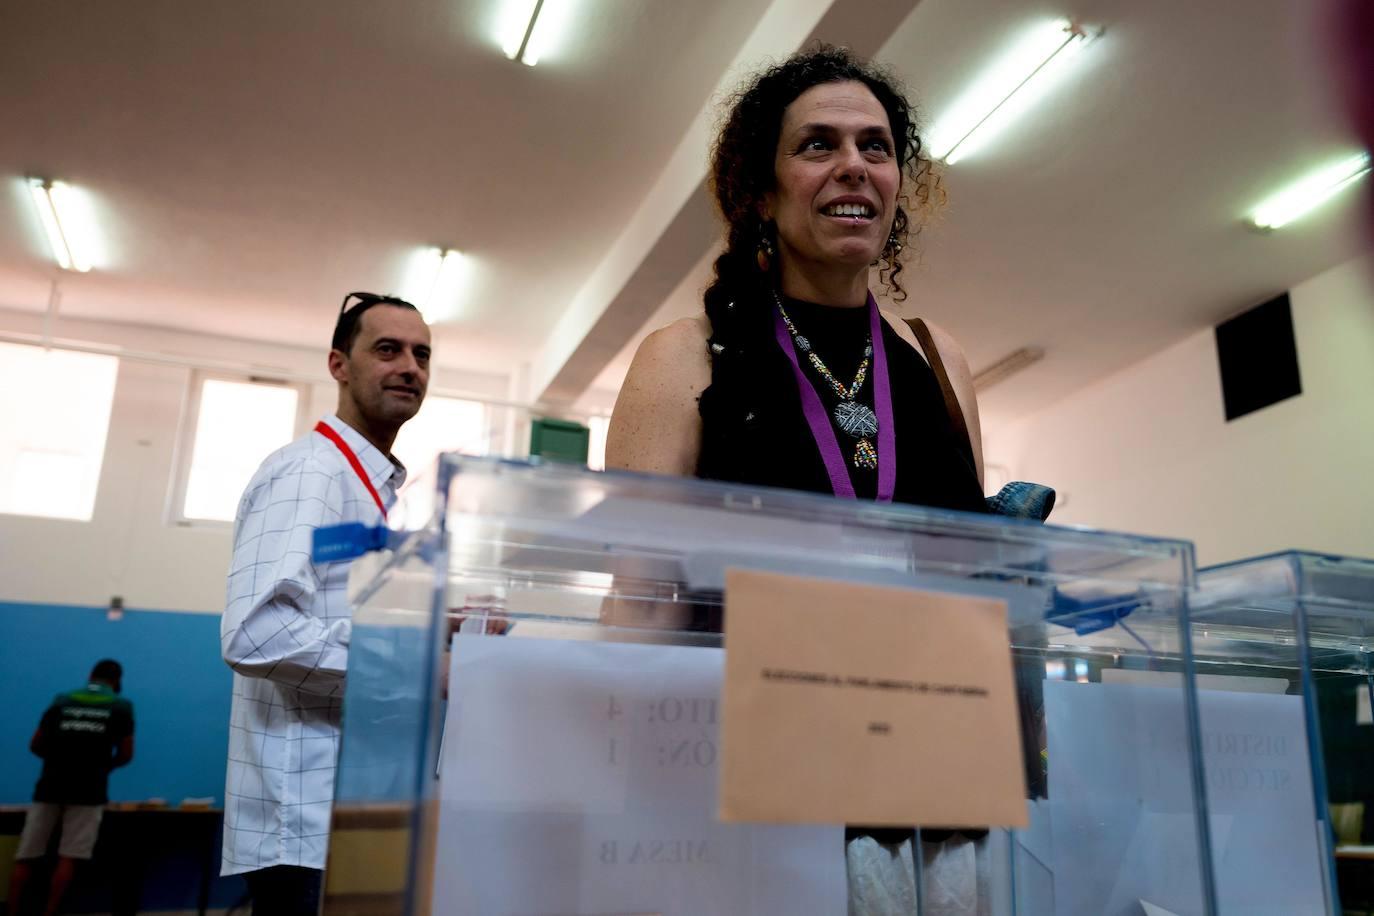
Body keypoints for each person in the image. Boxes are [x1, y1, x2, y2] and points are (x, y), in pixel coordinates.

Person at [606, 46, 993, 914]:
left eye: (877, 146)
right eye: (817, 144)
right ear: (759, 189)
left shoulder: (940, 360)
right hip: (752, 785)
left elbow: (972, 587)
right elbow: (640, 603)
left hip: (932, 785)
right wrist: (622, 807)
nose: (854, 163)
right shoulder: (684, 358)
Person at [220, 292, 430, 915]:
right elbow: (255, 634)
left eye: (422, 354)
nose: (410, 367)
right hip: (303, 826)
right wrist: (410, 661)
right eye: (387, 349)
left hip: (350, 816)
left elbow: (344, 618)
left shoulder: (380, 490)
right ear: (339, 364)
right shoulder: (309, 472)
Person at [8, 660, 134, 916]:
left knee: (27, 854)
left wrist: (58, 762)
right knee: (69, 855)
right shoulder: (121, 706)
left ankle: (12, 911)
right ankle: (50, 912)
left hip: (49, 785)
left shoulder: (62, 700)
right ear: (117, 681)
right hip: (89, 790)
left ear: (90, 676)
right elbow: (126, 752)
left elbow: (35, 744)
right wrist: (103, 767)